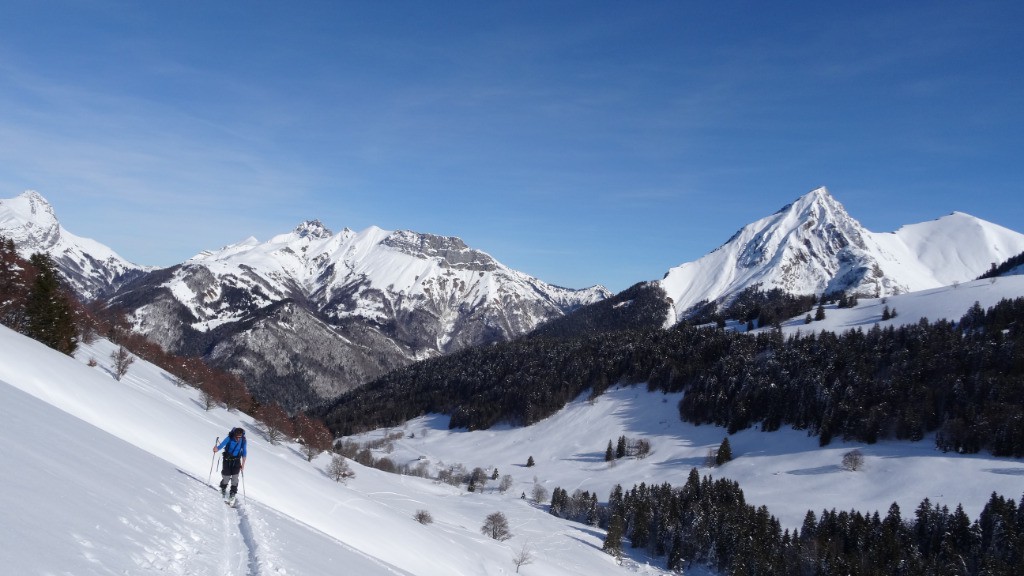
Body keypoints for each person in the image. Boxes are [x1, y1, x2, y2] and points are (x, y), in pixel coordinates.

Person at [213, 427, 247, 500]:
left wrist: (243, 464)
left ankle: (233, 493)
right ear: (234, 434)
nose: (238, 438)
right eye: (237, 437)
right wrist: (216, 449)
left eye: (239, 437)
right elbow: (222, 445)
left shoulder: (243, 440)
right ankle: (223, 488)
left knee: (235, 478)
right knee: (226, 477)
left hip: (237, 460)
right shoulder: (229, 438)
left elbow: (244, 452)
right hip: (227, 459)